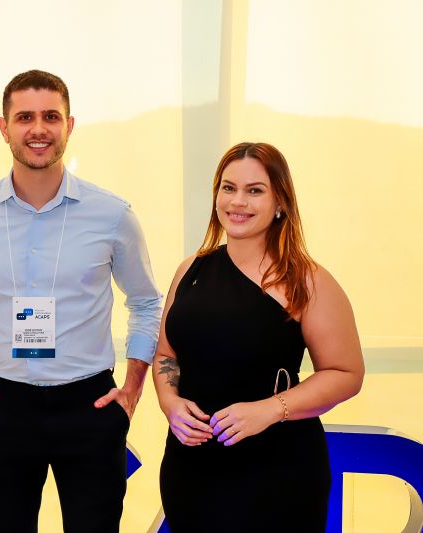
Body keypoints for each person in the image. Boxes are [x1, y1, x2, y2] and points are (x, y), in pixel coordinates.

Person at [0, 70, 163, 532]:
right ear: (4, 128)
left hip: (90, 406)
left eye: (50, 117)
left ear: (69, 125)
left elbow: (145, 303)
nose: (38, 129)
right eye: (24, 117)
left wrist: (132, 389)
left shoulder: (113, 214)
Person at [153, 142, 364, 532]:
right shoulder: (190, 270)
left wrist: (268, 410)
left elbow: (346, 373)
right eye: (228, 188)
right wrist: (170, 402)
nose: (238, 201)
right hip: (191, 469)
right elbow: (167, 354)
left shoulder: (308, 281)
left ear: (280, 201)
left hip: (277, 472)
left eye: (255, 190)